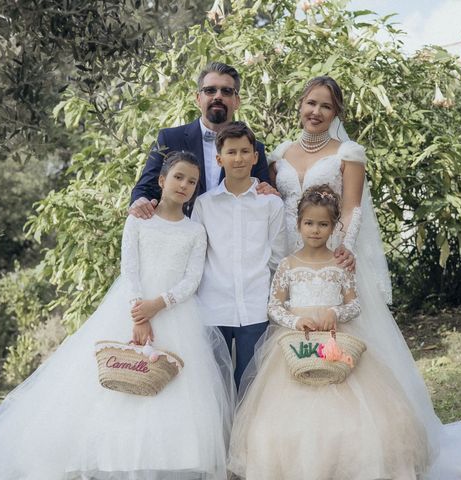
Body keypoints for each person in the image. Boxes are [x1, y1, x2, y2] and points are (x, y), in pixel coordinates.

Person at [267, 75, 461, 479]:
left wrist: (338, 250)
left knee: (348, 353)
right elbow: (274, 205)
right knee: (294, 357)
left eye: (326, 106)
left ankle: (361, 450)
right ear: (300, 104)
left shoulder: (348, 152)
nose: (316, 111)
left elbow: (352, 207)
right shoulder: (280, 154)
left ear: (336, 112)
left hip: (333, 263)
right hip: (291, 265)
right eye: (311, 102)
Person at [0, 152, 235, 480]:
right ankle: (112, 456)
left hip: (174, 311)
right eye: (178, 177)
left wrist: (159, 304)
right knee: (117, 381)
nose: (184, 185)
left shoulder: (194, 231)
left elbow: (192, 278)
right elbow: (129, 268)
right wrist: (139, 315)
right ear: (161, 180)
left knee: (174, 389)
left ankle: (168, 460)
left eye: (192, 181)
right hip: (132, 307)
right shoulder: (139, 220)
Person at [228, 184, 430, 479]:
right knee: (284, 413)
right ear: (298, 225)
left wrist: (335, 312)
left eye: (323, 224)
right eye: (309, 223)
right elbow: (274, 306)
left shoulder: (340, 264)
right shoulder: (288, 264)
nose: (315, 230)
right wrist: (297, 322)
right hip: (296, 340)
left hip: (337, 336)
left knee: (359, 410)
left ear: (334, 227)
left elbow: (354, 304)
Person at [191, 121, 287, 388]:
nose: (239, 158)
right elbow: (197, 258)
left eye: (245, 151)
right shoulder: (204, 204)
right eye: (231, 152)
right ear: (219, 158)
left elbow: (278, 258)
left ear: (255, 157)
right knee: (215, 385)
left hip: (256, 308)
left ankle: (246, 431)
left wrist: (275, 303)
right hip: (212, 307)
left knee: (251, 383)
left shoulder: (270, 203)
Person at [129, 61, 274, 219]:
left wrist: (268, 191)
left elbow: (263, 194)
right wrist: (140, 202)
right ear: (198, 98)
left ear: (237, 101)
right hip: (182, 235)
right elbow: (144, 188)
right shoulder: (169, 138)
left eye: (226, 91)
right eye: (210, 90)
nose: (218, 96)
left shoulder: (253, 148)